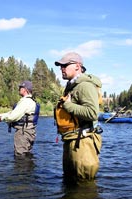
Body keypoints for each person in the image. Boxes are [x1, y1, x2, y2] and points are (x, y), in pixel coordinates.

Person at [54, 52, 103, 182]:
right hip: (71, 139)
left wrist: (68, 106)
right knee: (69, 183)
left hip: (83, 142)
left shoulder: (85, 85)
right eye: (61, 66)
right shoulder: (71, 86)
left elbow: (92, 113)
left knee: (84, 186)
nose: (62, 69)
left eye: (65, 65)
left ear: (77, 66)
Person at [0, 81, 40, 156]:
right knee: (26, 156)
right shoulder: (30, 101)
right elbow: (13, 113)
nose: (19, 89)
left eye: (20, 88)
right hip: (29, 132)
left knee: (20, 157)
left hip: (23, 133)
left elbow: (14, 116)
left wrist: (1, 118)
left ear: (25, 89)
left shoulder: (25, 102)